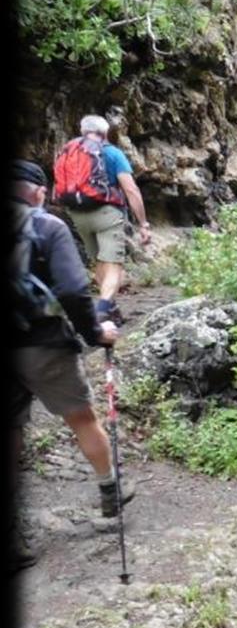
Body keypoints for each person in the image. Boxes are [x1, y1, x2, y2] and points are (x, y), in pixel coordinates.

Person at [10, 159, 131, 570]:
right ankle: (109, 488)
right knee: (82, 417)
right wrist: (95, 332)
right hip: (45, 345)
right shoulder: (47, 227)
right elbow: (73, 288)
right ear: (39, 191)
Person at [56, 113, 151, 324]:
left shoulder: (69, 152)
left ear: (82, 132)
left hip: (78, 215)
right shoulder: (113, 154)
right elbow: (131, 189)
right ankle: (102, 309)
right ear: (106, 132)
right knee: (113, 264)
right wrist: (143, 223)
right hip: (107, 215)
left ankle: (112, 308)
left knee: (99, 262)